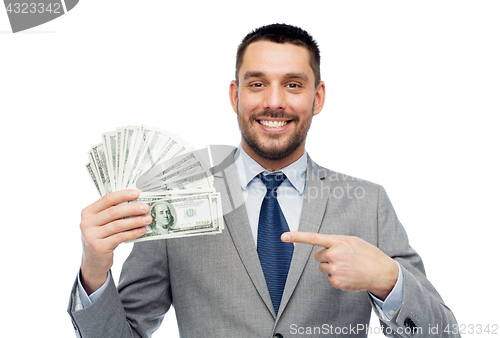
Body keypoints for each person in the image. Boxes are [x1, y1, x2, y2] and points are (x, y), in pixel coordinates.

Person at [68, 24, 460, 337]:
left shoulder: (368, 204)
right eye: (257, 84)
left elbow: (444, 334)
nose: (274, 101)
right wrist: (94, 270)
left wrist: (388, 280)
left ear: (317, 97)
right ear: (235, 95)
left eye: (293, 84)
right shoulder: (173, 199)